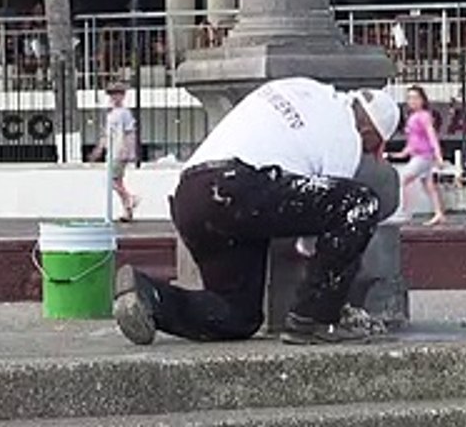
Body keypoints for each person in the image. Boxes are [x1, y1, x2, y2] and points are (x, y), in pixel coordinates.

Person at [113, 77, 401, 346]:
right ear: (369, 132)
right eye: (375, 147)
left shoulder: (303, 87)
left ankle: (149, 295)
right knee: (359, 204)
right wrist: (336, 281)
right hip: (238, 186)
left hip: (192, 195)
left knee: (237, 315)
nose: (371, 154)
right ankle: (313, 320)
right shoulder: (346, 137)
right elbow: (319, 232)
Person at [392, 85, 447, 226]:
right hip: (419, 155)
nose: (412, 101)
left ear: (422, 100)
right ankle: (439, 213)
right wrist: (403, 153)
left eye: (415, 97)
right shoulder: (412, 117)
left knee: (403, 179)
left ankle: (403, 211)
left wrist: (438, 155)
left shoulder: (424, 116)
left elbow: (431, 135)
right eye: (409, 98)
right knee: (429, 186)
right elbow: (413, 141)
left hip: (424, 156)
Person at [90, 83, 138, 221]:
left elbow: (129, 132)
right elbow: (107, 134)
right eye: (112, 94)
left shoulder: (124, 113)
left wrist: (128, 150)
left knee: (112, 181)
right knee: (118, 181)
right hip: (112, 151)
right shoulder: (111, 114)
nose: (114, 97)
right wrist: (99, 148)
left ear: (122, 95)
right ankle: (127, 211)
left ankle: (130, 199)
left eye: (117, 94)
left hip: (119, 151)